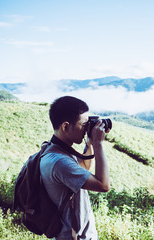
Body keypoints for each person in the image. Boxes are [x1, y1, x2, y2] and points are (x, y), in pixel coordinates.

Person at [40, 96, 110, 240]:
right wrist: (98, 144)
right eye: (84, 125)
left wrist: (90, 142)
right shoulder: (60, 162)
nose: (86, 129)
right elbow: (104, 185)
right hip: (74, 236)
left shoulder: (55, 150)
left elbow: (84, 167)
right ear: (65, 126)